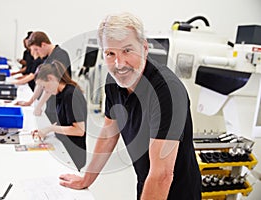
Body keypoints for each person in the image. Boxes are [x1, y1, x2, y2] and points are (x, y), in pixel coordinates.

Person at [59, 12, 202, 200]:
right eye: (110, 53)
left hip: (177, 192)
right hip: (146, 183)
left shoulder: (167, 92)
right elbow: (109, 134)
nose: (119, 64)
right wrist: (86, 179)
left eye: (127, 50)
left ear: (144, 48)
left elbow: (162, 175)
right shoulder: (114, 82)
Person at [32, 60, 87, 171]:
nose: (44, 90)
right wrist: (44, 131)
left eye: (43, 86)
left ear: (51, 78)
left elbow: (79, 131)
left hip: (73, 153)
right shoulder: (60, 93)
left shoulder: (70, 95)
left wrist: (50, 128)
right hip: (63, 144)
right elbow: (64, 121)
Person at [15, 31, 71, 124]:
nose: (36, 53)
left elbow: (51, 86)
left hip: (60, 102)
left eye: (36, 49)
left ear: (43, 44)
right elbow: (41, 83)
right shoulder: (47, 57)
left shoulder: (60, 55)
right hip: (51, 103)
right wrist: (30, 102)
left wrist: (38, 106)